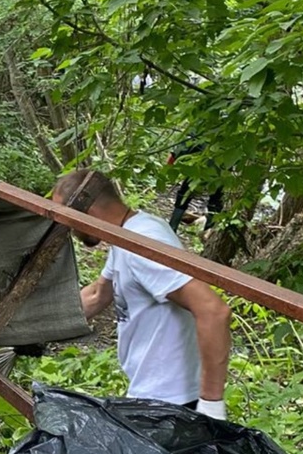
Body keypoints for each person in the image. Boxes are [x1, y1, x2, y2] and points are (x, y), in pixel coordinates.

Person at [51, 169, 232, 419]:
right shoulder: (128, 233)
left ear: (88, 212)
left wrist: (211, 405)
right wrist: (40, 328)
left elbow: (213, 311)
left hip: (170, 402)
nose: (68, 229)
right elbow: (97, 294)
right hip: (151, 393)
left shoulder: (142, 244)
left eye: (68, 220)